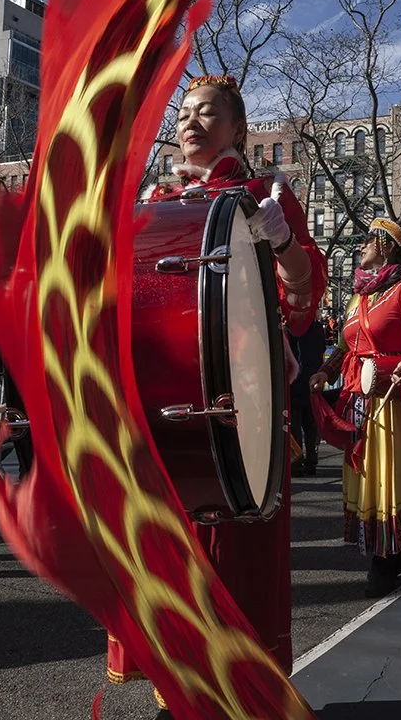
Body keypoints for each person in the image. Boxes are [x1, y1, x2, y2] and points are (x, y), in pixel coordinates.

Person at [107, 74, 325, 716]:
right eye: (184, 113)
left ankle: (240, 695)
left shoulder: (262, 196)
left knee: (240, 553)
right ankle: (178, 690)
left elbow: (303, 299)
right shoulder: (156, 201)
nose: (190, 122)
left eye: (207, 113)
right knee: (166, 553)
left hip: (243, 401)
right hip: (161, 398)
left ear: (237, 129)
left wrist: (282, 241)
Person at [309, 218, 401, 598]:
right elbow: (346, 346)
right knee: (367, 477)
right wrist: (324, 371)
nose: (361, 246)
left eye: (368, 240)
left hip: (389, 398)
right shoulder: (360, 296)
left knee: (386, 480)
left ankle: (385, 558)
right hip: (357, 395)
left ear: (385, 245)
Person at [289, 319, 325, 477]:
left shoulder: (290, 327)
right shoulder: (317, 328)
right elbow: (321, 350)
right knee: (311, 425)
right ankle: (311, 460)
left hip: (295, 381)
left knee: (295, 425)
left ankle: (296, 462)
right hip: (312, 378)